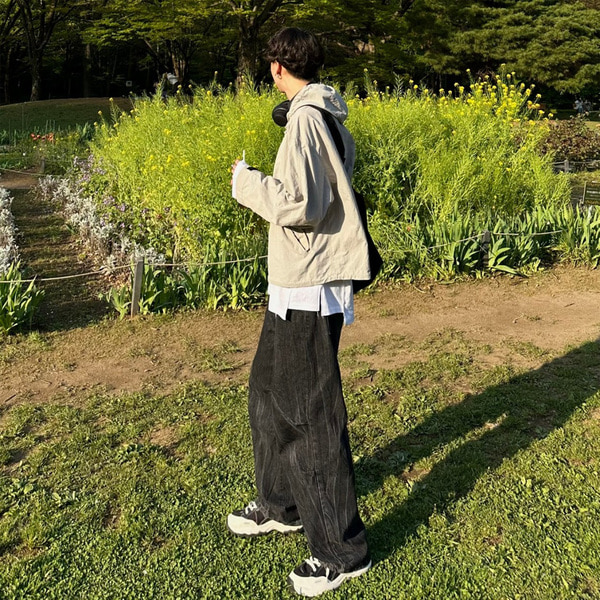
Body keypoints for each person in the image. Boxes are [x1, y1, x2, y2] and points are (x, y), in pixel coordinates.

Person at [228, 27, 372, 597]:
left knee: (310, 415)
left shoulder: (309, 119)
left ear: (276, 68)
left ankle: (340, 551)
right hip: (297, 283)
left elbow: (302, 204)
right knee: (267, 391)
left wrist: (246, 183)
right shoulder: (321, 113)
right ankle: (281, 503)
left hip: (309, 285)